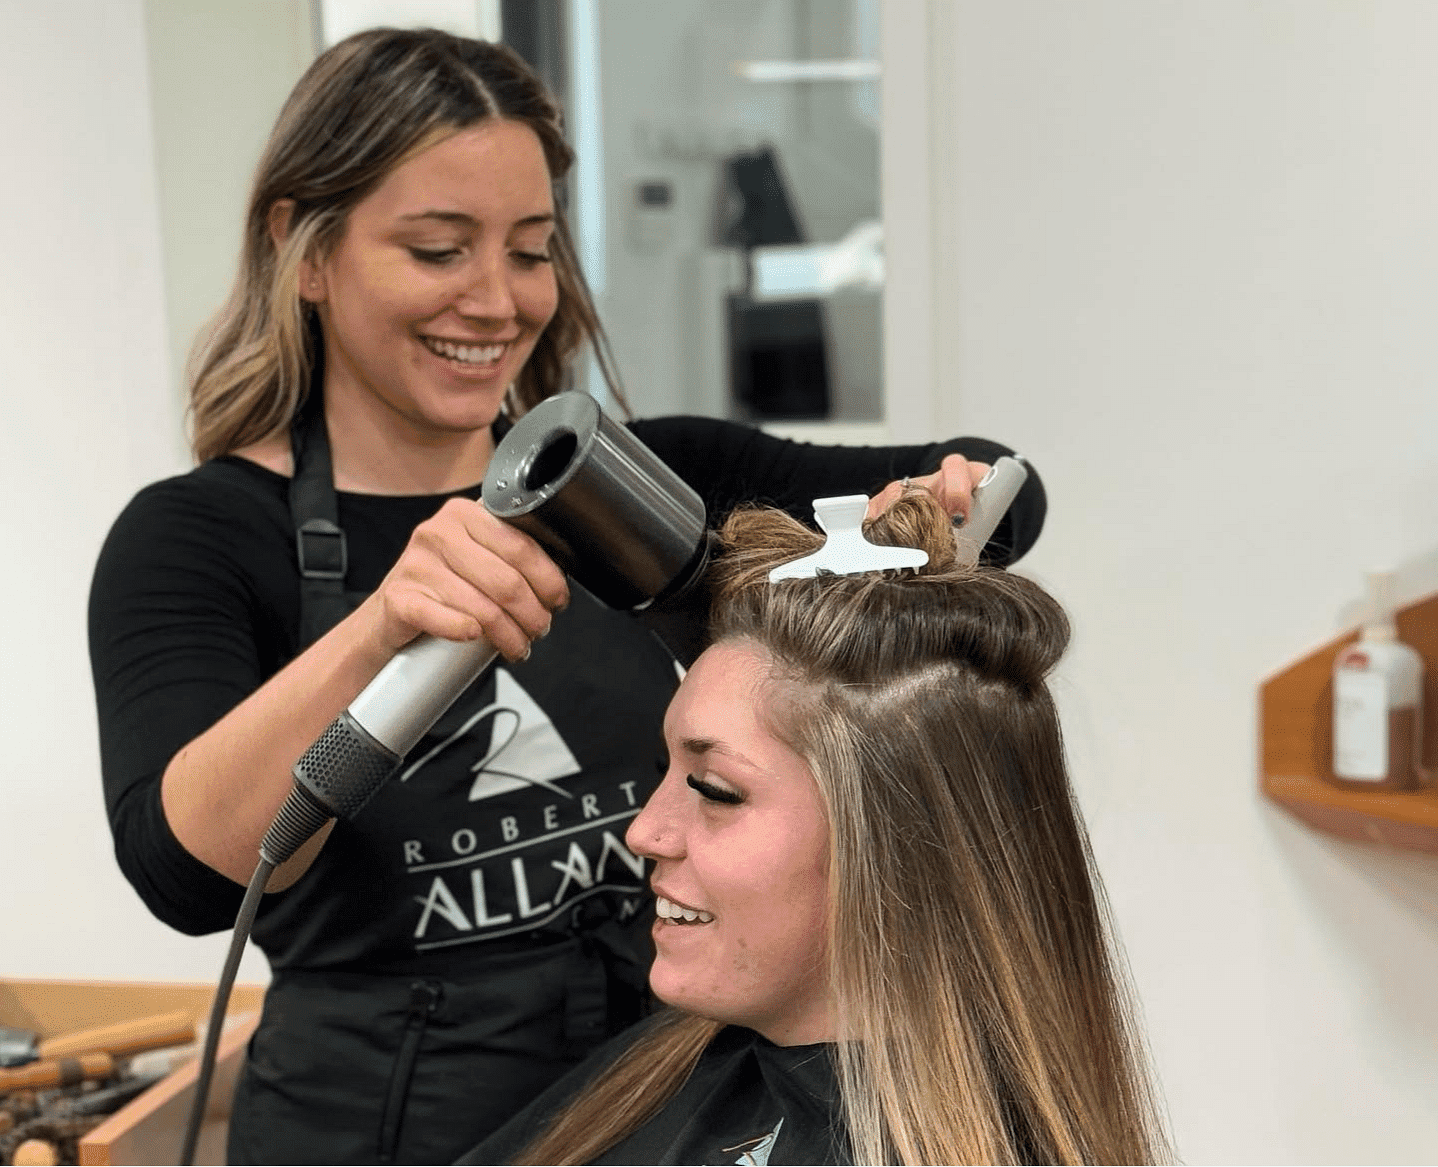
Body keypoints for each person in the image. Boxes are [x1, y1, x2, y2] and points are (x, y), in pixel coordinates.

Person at [86, 28, 1047, 1166]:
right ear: (304, 248)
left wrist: (934, 504)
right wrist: (384, 626)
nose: (497, 301)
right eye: (440, 250)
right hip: (376, 1130)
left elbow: (998, 494)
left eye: (531, 251)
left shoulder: (621, 490)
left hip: (651, 1094)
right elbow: (183, 873)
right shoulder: (197, 538)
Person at [462, 493, 1169, 1166]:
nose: (645, 831)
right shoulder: (664, 1069)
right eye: (664, 771)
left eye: (713, 790)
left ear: (895, 845)